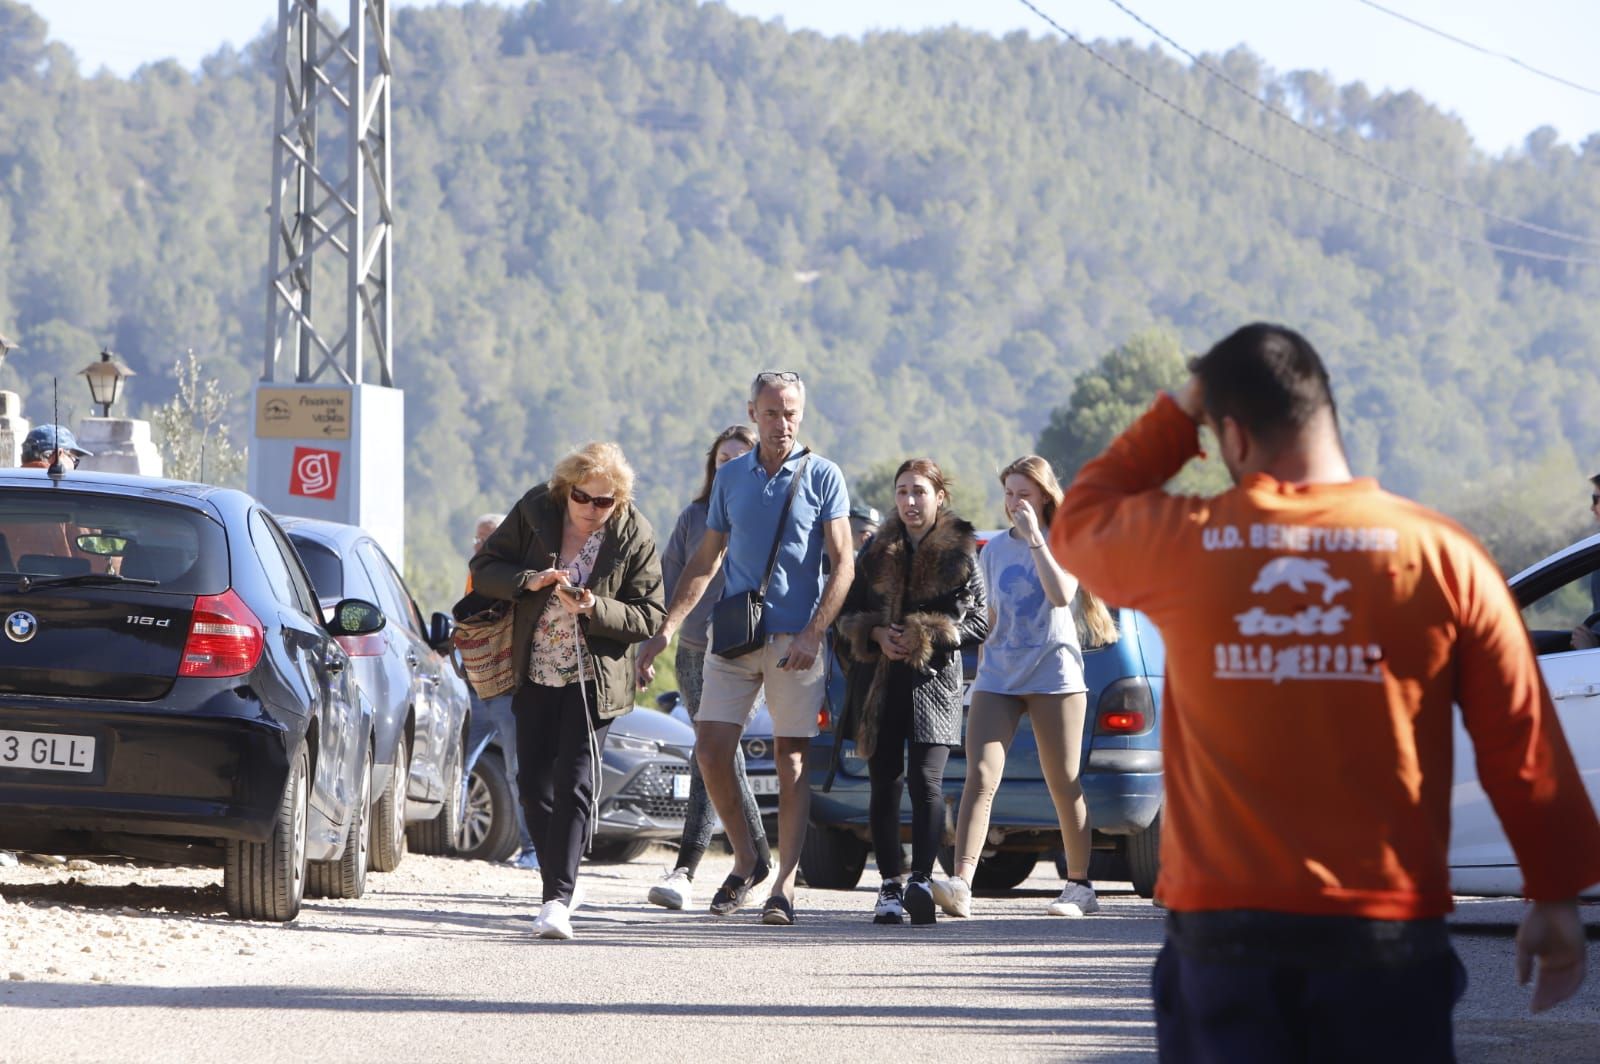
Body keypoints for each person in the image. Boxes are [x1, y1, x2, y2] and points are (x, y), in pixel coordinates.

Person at [1052, 322, 1600, 1060]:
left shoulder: (1189, 541)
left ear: (1233, 436)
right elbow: (1522, 742)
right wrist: (1556, 894)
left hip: (1225, 935)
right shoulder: (1442, 553)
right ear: (1328, 414)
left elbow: (1080, 516)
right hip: (1386, 937)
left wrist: (1180, 414)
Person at [637, 370, 854, 925]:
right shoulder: (731, 477)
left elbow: (842, 563)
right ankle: (747, 861)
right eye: (772, 412)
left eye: (792, 413)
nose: (783, 423)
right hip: (733, 636)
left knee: (792, 760)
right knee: (710, 751)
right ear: (752, 412)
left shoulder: (824, 476)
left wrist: (814, 633)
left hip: (795, 643)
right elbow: (704, 560)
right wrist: (665, 628)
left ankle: (782, 885)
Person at [469, 442, 664, 940]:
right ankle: (563, 875)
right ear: (566, 489)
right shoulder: (536, 510)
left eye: (605, 502)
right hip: (533, 669)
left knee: (575, 780)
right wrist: (529, 581)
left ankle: (556, 899)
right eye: (584, 498)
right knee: (533, 782)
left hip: (593, 679)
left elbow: (650, 614)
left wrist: (596, 607)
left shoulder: (634, 532)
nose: (594, 510)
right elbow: (486, 569)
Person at [933, 455, 1118, 921]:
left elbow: (1061, 595)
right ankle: (961, 883)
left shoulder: (1064, 540)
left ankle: (1079, 886)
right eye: (1010, 494)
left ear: (1043, 497)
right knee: (980, 776)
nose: (1014, 503)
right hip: (999, 676)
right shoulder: (992, 551)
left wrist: (1037, 538)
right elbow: (992, 617)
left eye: (1024, 494)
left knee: (1063, 782)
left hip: (1054, 676)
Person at [835, 459, 986, 925]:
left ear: (940, 496)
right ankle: (888, 888)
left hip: (934, 684)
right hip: (881, 683)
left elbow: (979, 622)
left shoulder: (961, 551)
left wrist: (926, 632)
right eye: (902, 492)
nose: (910, 501)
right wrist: (877, 635)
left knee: (927, 782)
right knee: (884, 782)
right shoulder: (876, 550)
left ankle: (921, 879)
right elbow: (846, 617)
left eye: (919, 491)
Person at [642, 425, 772, 910]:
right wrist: (658, 639)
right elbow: (669, 581)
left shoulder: (764, 516)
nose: (730, 465)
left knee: (714, 751)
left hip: (743, 648)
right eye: (722, 458)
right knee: (713, 753)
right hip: (694, 649)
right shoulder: (694, 516)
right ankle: (755, 856)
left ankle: (687, 866)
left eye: (740, 457)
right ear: (712, 465)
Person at [467, 512, 538, 871]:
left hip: (510, 689)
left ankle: (531, 849)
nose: (480, 546)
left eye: (488, 539)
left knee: (516, 769)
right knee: (459, 763)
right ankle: (451, 835)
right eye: (478, 540)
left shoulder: (520, 579)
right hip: (477, 686)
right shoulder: (476, 575)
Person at [20, 424, 91, 469]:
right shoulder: (61, 489)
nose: (74, 467)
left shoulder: (11, 483)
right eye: (74, 459)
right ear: (57, 455)